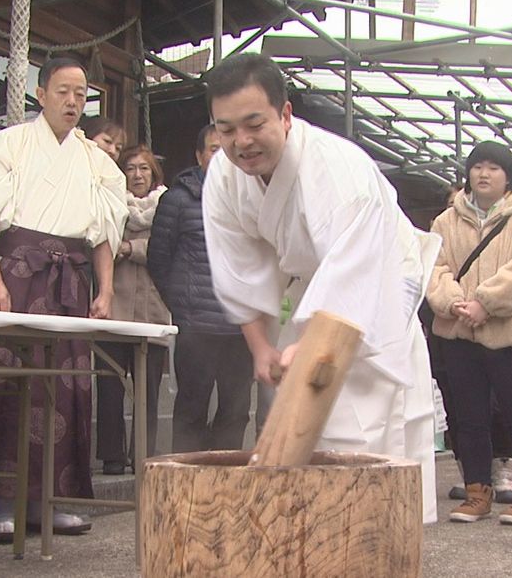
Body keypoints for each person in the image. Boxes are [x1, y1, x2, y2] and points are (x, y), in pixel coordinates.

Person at [200, 53, 439, 524]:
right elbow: (238, 267)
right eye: (226, 130)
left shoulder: (336, 169)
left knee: (363, 423)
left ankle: (373, 536)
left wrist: (308, 347)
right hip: (314, 291)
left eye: (253, 124)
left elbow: (352, 272)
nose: (240, 142)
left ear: (285, 115)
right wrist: (262, 347)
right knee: (303, 424)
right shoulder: (224, 178)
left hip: (378, 285)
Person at [0, 56, 128, 542]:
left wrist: (106, 286)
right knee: (13, 381)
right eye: (64, 91)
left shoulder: (95, 160)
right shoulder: (8, 145)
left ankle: (55, 500)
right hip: (19, 274)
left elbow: (105, 232)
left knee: (67, 387)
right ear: (41, 94)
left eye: (81, 94)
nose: (73, 102)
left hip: (71, 281)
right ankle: (6, 500)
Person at [427, 141, 512, 526]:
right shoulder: (445, 221)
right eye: (477, 166)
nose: (484, 174)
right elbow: (435, 268)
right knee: (469, 418)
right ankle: (476, 492)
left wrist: (486, 302)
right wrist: (453, 302)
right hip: (461, 333)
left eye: (494, 168)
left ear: (509, 176)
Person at [149, 125, 255, 453]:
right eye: (213, 149)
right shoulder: (178, 200)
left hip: (241, 327)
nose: (221, 157)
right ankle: (188, 487)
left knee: (236, 412)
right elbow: (158, 259)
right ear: (198, 156)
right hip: (196, 327)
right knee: (191, 409)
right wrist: (183, 304)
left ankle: (225, 487)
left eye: (227, 150)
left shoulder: (251, 198)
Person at [94, 144, 171, 474]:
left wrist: (131, 247)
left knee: (148, 390)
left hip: (154, 309)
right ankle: (111, 457)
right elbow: (99, 242)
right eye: (130, 168)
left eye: (144, 169)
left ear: (154, 174)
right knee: (109, 386)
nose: (137, 175)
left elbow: (169, 248)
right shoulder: (109, 203)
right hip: (114, 305)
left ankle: (141, 454)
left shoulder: (167, 207)